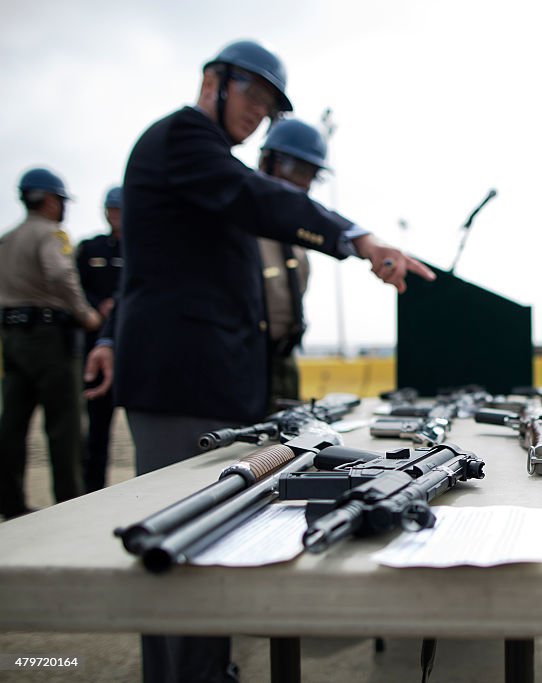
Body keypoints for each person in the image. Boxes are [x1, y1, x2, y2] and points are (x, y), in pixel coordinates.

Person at [81, 39, 432, 683]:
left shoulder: (211, 165)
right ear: (213, 80)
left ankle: (205, 668)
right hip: (182, 378)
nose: (259, 111)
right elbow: (261, 200)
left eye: (269, 105)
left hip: (213, 379)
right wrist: (356, 236)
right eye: (253, 94)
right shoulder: (183, 139)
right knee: (181, 540)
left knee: (210, 535)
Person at [0, 168, 102, 519]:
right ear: (48, 199)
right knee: (65, 428)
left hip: (10, 339)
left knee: (12, 425)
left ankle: (10, 505)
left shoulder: (7, 239)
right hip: (50, 340)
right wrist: (86, 314)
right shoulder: (52, 234)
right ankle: (70, 509)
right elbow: (60, 274)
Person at [255, 118, 324, 411]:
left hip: (285, 357)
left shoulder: (296, 235)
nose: (303, 182)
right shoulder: (242, 226)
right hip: (247, 363)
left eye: (311, 174)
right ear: (266, 162)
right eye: (296, 169)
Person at [75, 186, 123, 492]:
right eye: (111, 209)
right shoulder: (91, 249)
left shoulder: (142, 249)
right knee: (97, 431)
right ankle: (94, 490)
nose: (116, 215)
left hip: (131, 347)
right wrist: (98, 306)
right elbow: (75, 289)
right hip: (98, 346)